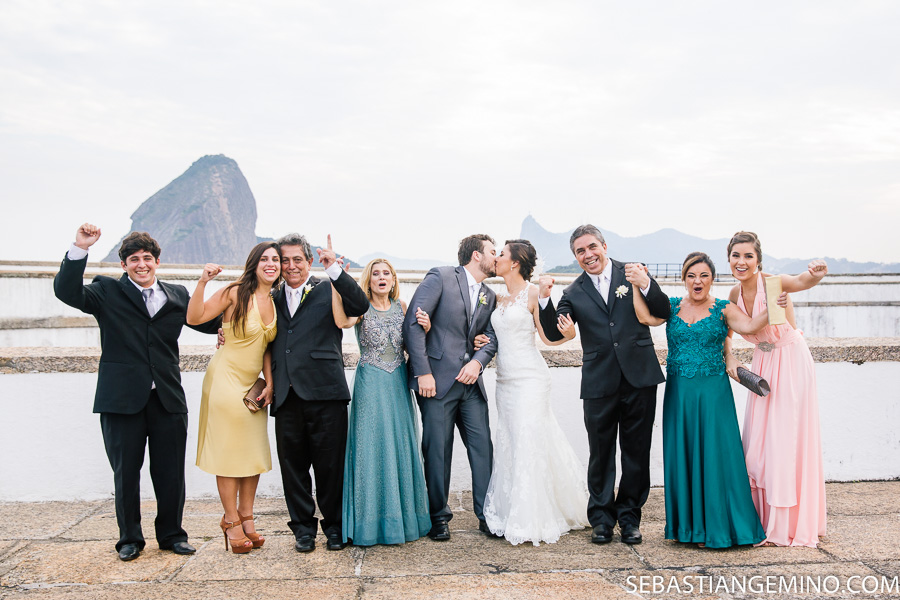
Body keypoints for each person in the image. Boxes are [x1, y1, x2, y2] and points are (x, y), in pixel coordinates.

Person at [53, 224, 221, 561]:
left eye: (146, 258)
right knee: (126, 473)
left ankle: (172, 535)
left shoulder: (177, 294)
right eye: (134, 259)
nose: (141, 264)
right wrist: (80, 248)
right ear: (124, 265)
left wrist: (227, 329)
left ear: (157, 261)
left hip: (167, 399)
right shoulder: (106, 291)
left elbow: (205, 320)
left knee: (170, 472)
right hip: (120, 400)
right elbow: (67, 292)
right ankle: (130, 538)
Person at [537, 224, 670, 545]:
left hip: (640, 377)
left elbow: (663, 311)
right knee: (600, 453)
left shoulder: (633, 273)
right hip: (599, 381)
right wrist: (544, 299)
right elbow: (555, 333)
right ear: (575, 256)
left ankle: (630, 518)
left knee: (636, 452)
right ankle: (601, 519)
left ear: (604, 246)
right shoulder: (573, 293)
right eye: (580, 251)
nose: (588, 255)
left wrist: (646, 283)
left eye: (592, 247)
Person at [630, 252, 768, 548]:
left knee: (715, 454)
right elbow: (645, 317)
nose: (698, 281)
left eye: (704, 275)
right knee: (683, 453)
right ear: (684, 279)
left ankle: (717, 528)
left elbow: (750, 326)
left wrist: (776, 307)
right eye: (692, 275)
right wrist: (635, 285)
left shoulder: (723, 308)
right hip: (679, 394)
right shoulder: (671, 306)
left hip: (713, 394)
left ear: (712, 279)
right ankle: (689, 529)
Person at [479, 240, 590, 545]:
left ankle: (530, 518)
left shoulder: (532, 293)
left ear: (514, 263)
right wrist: (480, 340)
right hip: (505, 381)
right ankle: (510, 510)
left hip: (531, 379)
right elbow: (493, 336)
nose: (496, 258)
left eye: (501, 254)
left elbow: (549, 337)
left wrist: (569, 335)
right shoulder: (497, 298)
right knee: (511, 441)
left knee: (529, 441)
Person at [268, 234, 370, 553]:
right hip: (285, 393)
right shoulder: (270, 295)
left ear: (309, 261)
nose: (291, 266)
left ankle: (335, 527)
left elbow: (360, 305)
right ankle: (302, 529)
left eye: (297, 259)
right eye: (284, 260)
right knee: (293, 468)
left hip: (326, 392)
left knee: (330, 467)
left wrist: (334, 270)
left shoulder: (329, 287)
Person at [726, 231, 827, 547]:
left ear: (758, 260)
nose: (741, 262)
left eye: (748, 256)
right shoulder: (733, 293)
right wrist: (730, 356)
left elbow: (800, 281)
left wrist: (815, 274)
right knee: (760, 440)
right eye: (736, 255)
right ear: (729, 259)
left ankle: (786, 524)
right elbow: (728, 330)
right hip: (763, 363)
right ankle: (763, 517)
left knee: (784, 439)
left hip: (790, 360)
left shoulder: (773, 283)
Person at [401, 234, 499, 542]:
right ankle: (438, 518)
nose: (497, 258)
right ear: (476, 255)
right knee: (437, 452)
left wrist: (478, 362)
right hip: (437, 384)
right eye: (493, 252)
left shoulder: (489, 295)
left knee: (483, 449)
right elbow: (413, 325)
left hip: (471, 386)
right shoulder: (441, 277)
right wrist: (423, 373)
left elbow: (490, 338)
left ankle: (487, 515)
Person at [186, 242, 281, 553]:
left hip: (253, 385)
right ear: (254, 263)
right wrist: (203, 282)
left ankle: (246, 517)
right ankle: (230, 519)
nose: (271, 264)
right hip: (225, 380)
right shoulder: (235, 292)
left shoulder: (276, 299)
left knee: (252, 451)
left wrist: (269, 382)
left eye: (276, 259)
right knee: (229, 452)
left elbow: (267, 346)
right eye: (264, 259)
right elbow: (195, 317)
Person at [332, 258, 431, 546]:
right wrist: (337, 286)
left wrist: (425, 328)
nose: (381, 277)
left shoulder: (403, 307)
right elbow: (341, 322)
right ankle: (369, 524)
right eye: (375, 274)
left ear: (394, 279)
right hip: (370, 384)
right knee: (370, 445)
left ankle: (403, 519)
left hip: (397, 382)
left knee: (399, 443)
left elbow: (413, 345)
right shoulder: (360, 308)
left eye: (386, 273)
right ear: (369, 280)